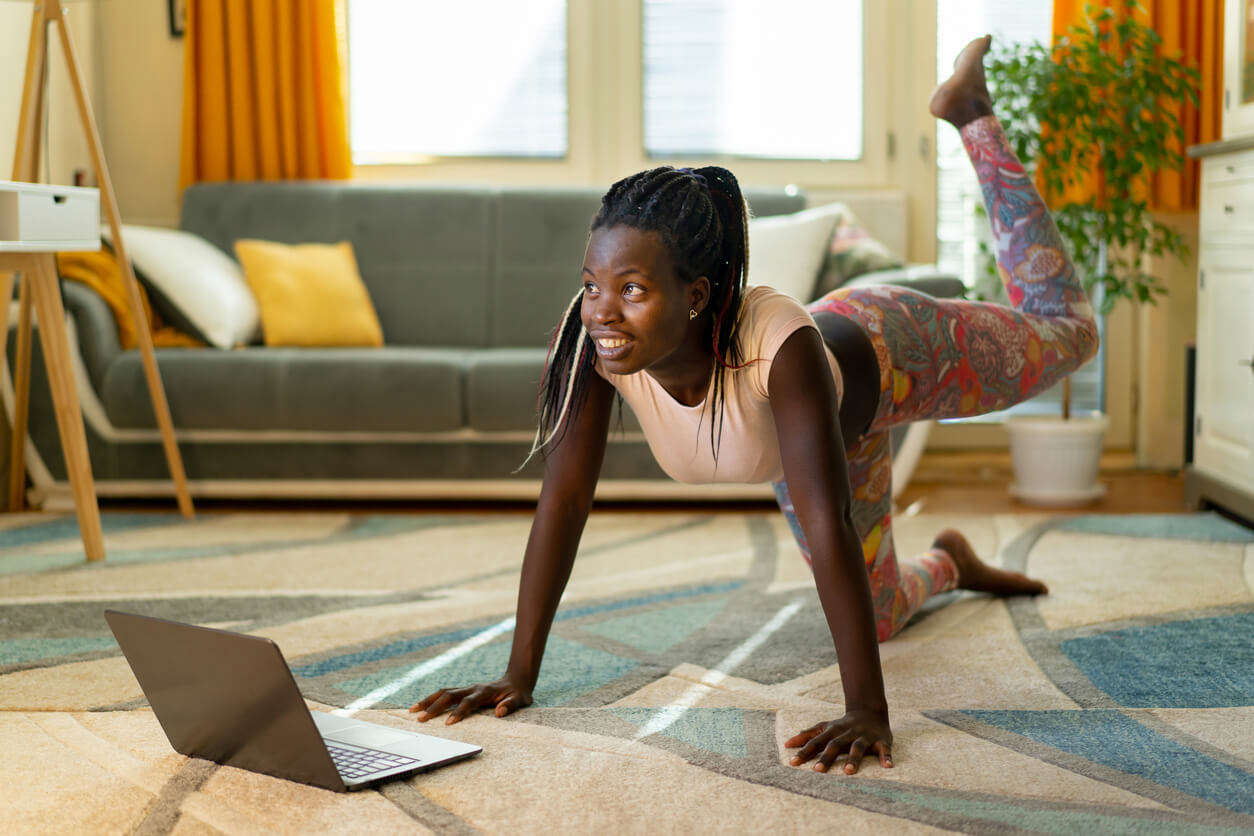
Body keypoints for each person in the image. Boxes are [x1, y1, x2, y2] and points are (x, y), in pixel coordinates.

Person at [409, 34, 1098, 776]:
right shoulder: (591, 341)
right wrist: (519, 674)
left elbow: (829, 521)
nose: (602, 311)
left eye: (633, 290)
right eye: (592, 284)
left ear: (696, 296)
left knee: (1072, 334)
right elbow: (564, 501)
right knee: (882, 614)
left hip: (898, 349)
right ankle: (953, 563)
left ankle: (972, 114)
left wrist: (867, 711)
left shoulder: (779, 347)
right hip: (827, 430)